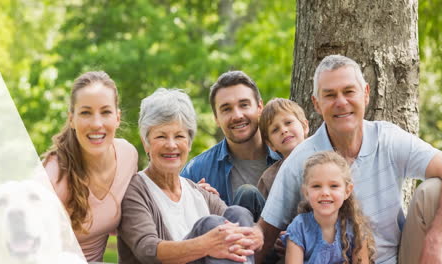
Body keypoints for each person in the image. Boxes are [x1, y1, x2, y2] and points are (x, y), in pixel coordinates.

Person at [257, 55, 442, 264]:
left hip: (399, 258)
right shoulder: (300, 159)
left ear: (365, 94)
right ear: (316, 104)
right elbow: (266, 231)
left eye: (349, 91)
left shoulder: (388, 139)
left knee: (433, 191)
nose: (341, 102)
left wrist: (434, 241)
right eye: (329, 95)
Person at [117, 88, 263, 264]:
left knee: (239, 214)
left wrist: (257, 233)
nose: (171, 145)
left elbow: (237, 227)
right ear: (146, 142)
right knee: (210, 226)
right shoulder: (134, 190)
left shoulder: (199, 192)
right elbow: (147, 249)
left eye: (179, 136)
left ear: (189, 142)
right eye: (161, 136)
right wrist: (206, 244)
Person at [42, 71, 138, 262]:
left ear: (117, 118)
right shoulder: (51, 178)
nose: (96, 123)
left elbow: (138, 208)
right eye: (85, 113)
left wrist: (190, 192)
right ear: (71, 119)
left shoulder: (128, 155)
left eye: (105, 112)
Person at [182, 71, 281, 221]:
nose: (237, 115)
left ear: (260, 107)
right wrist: (195, 204)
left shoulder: (287, 156)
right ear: (216, 118)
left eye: (244, 105)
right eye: (226, 109)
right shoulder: (196, 171)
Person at [282, 151, 375, 264]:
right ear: (306, 192)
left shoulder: (356, 228)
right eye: (316, 186)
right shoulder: (299, 228)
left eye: (334, 186)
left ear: (347, 191)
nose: (325, 192)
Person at [257, 98, 309, 199]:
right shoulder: (269, 178)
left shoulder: (327, 160)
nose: (283, 130)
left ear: (304, 126)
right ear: (271, 144)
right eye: (275, 130)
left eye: (288, 122)